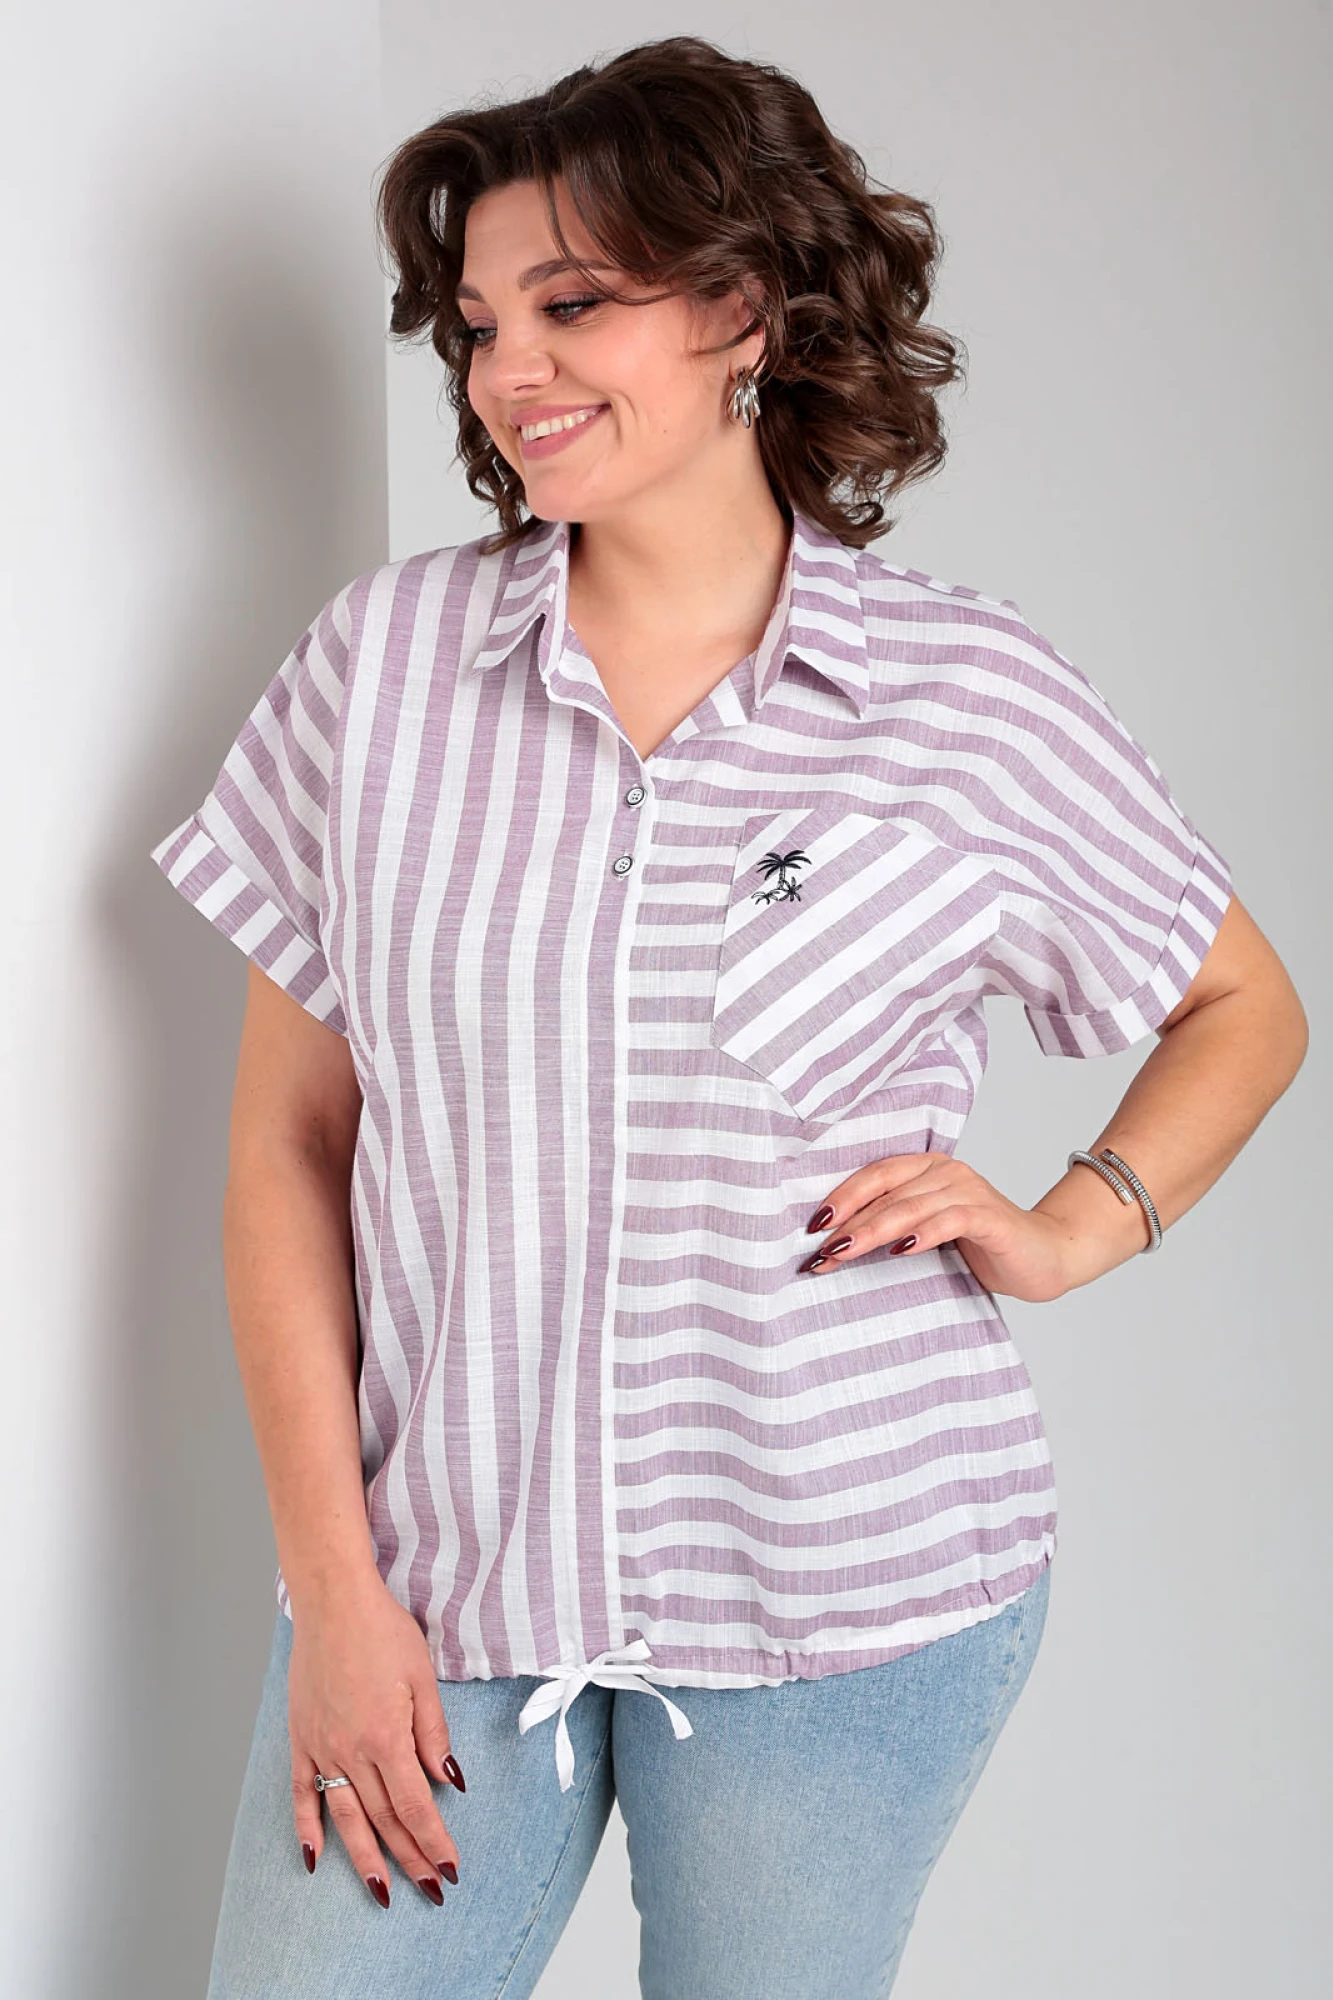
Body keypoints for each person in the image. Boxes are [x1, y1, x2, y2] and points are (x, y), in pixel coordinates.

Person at [149, 34, 1307, 2000]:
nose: (508, 368)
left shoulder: (963, 697)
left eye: (573, 304)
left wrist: (1070, 1224)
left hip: (848, 1597)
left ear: (746, 311)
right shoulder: (383, 670)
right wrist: (333, 1594)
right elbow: (289, 1141)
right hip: (442, 1580)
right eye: (477, 323)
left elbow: (1242, 1005)